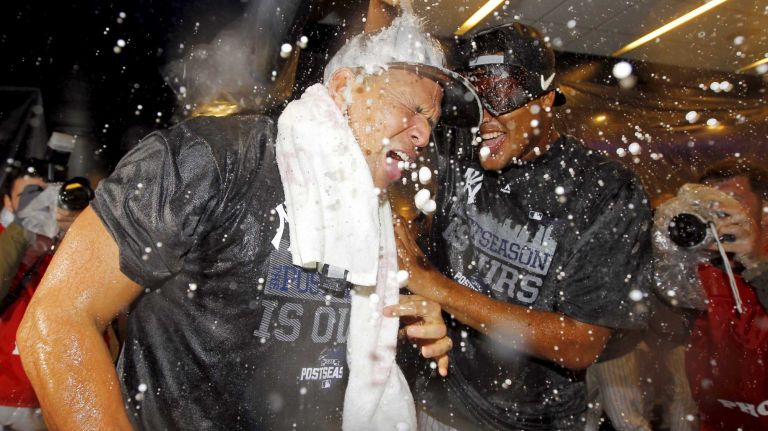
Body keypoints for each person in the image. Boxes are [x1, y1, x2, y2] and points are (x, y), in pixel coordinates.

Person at [17, 15, 482, 431]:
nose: (424, 134)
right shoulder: (212, 160)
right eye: (413, 108)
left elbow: (327, 348)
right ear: (344, 89)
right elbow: (59, 320)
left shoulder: (376, 220)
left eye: (432, 121)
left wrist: (400, 339)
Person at [395, 23, 653, 430]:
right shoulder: (458, 146)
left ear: (547, 99)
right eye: (473, 96)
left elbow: (582, 342)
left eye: (498, 93)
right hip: (439, 403)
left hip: (534, 419)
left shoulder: (603, 190)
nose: (483, 116)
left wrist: (435, 287)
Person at [680, 160, 768, 430]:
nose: (719, 211)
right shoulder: (704, 269)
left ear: (764, 210)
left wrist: (756, 263)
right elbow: (665, 337)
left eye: (733, 200)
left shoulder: (752, 266)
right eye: (708, 203)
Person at [0, 162, 81, 431]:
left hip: (51, 399)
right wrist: (25, 227)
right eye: (31, 196)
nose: (41, 204)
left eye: (47, 196)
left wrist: (80, 226)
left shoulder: (65, 243)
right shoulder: (7, 238)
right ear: (9, 202)